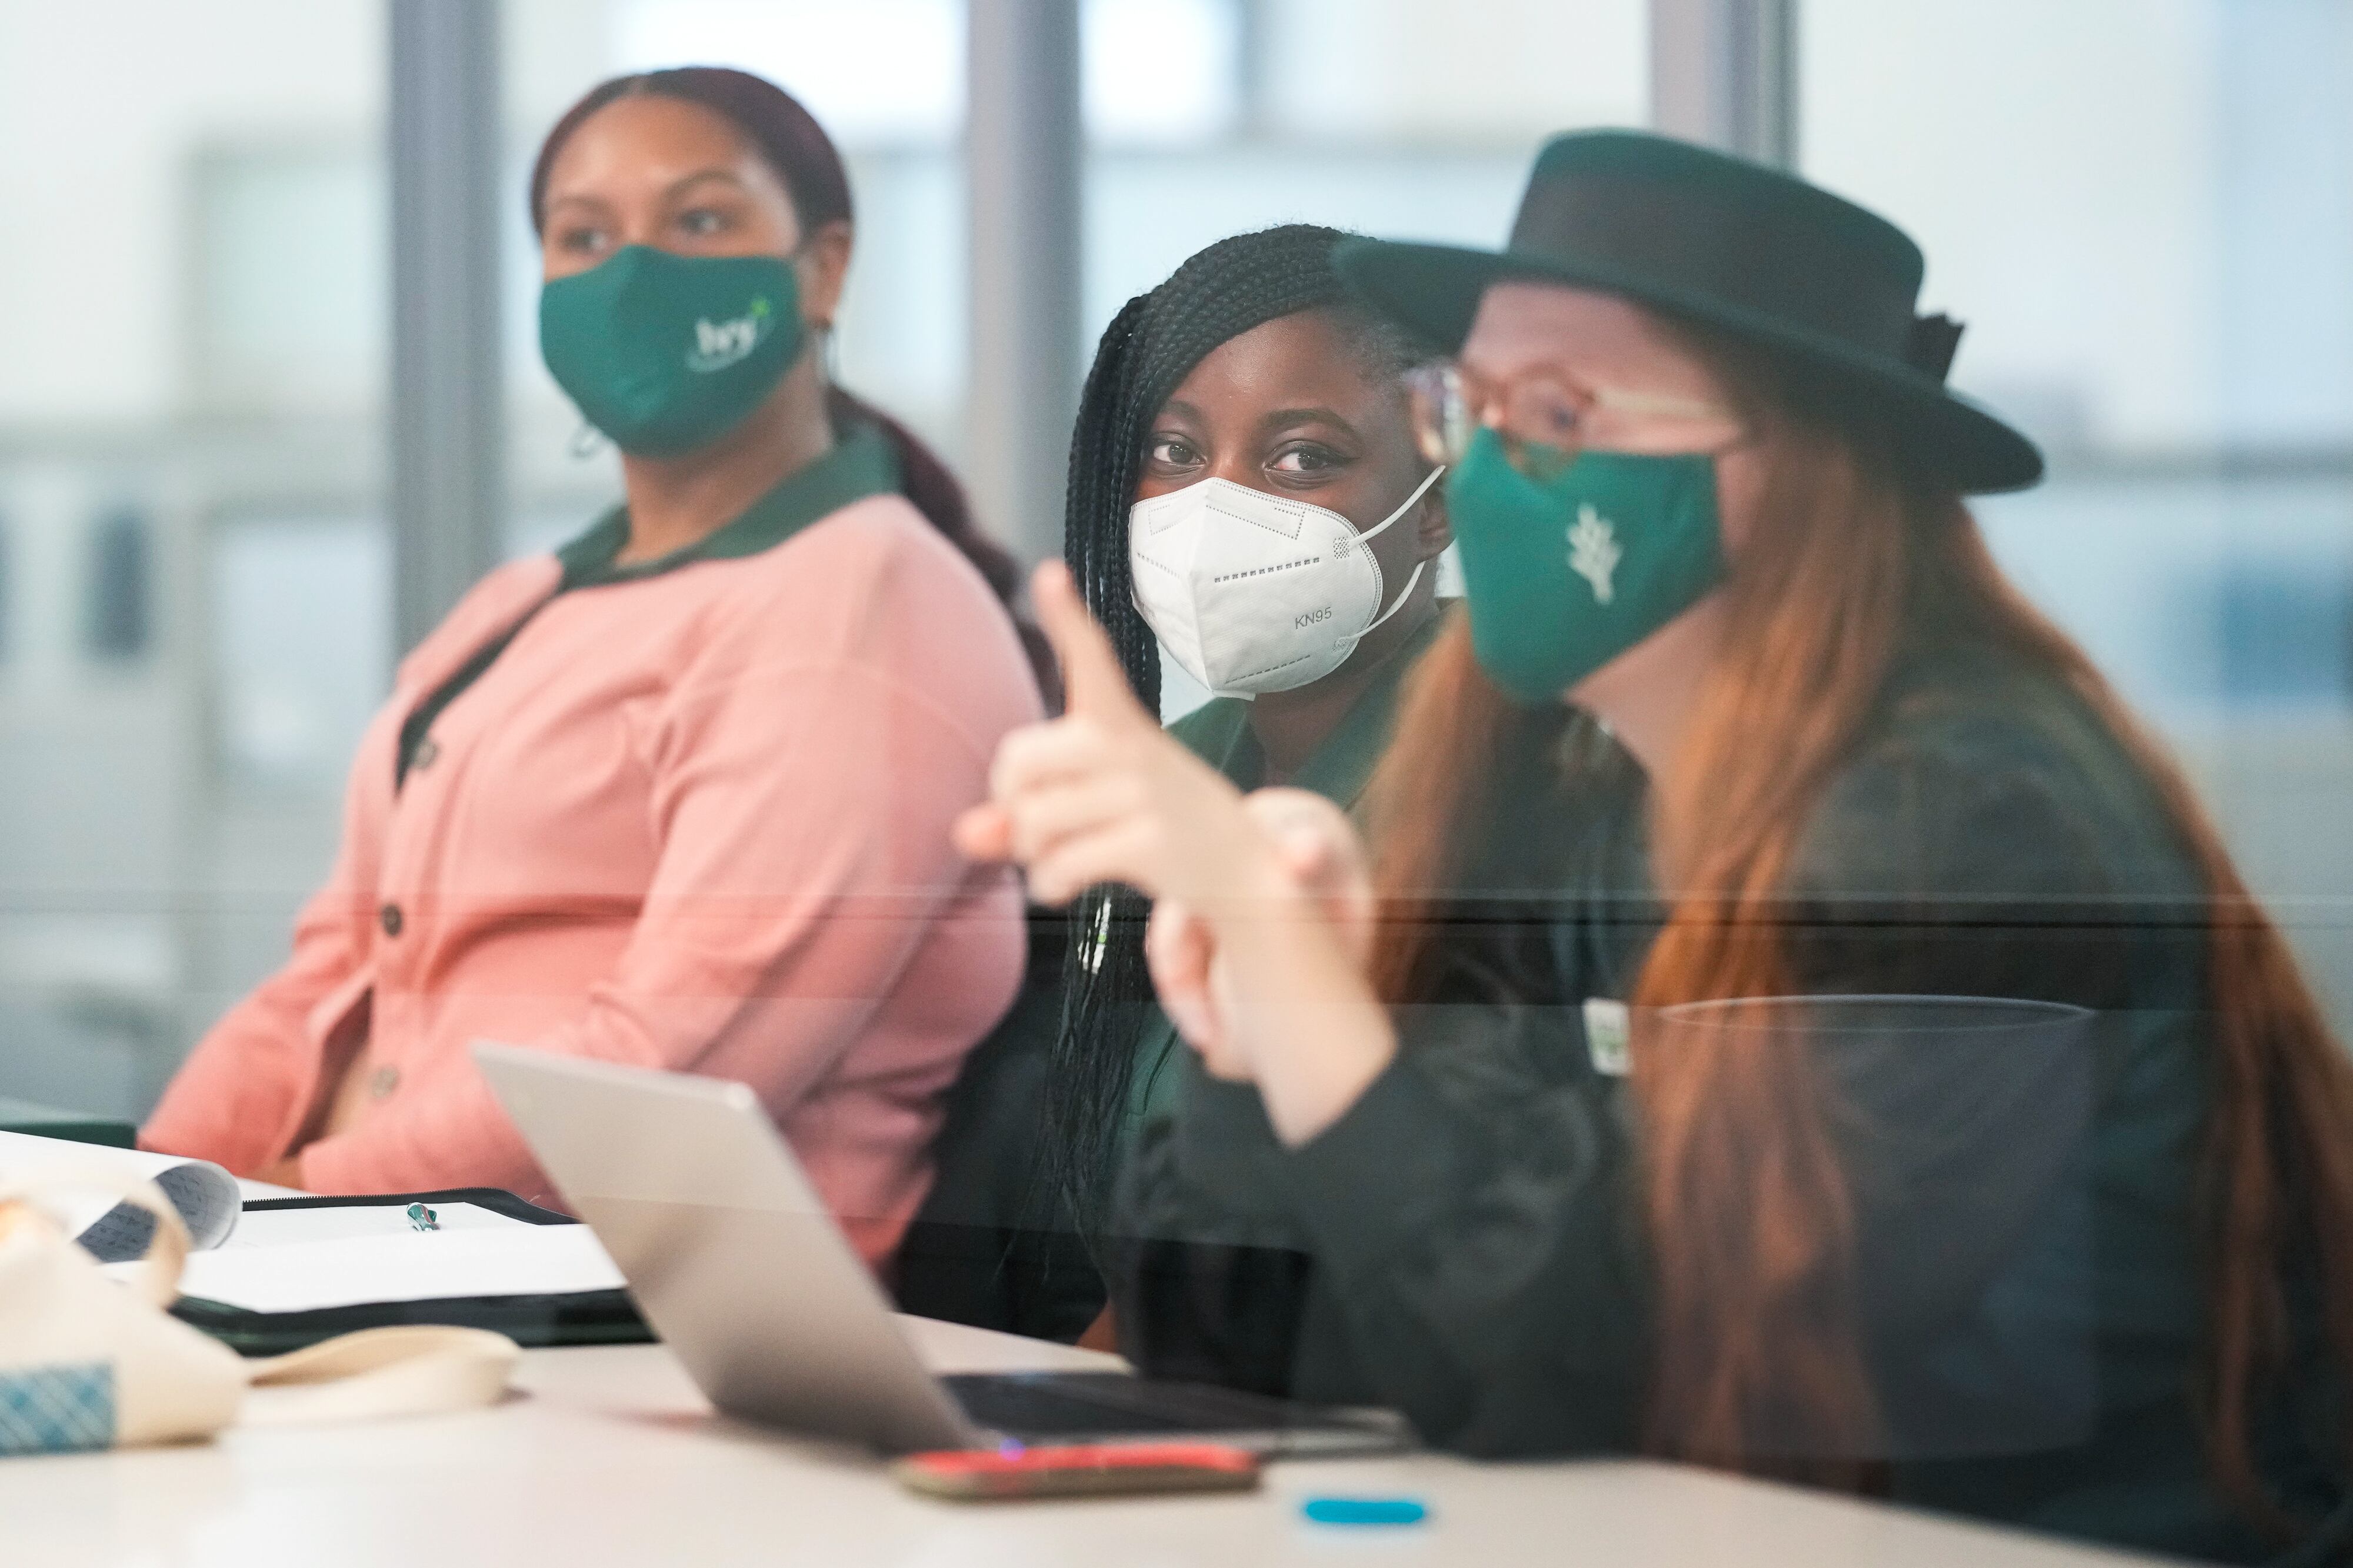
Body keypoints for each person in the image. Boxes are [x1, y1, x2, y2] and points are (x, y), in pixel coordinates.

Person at [957, 132, 2353, 1561]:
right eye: (1468, 408)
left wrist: (1285, 961)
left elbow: (1586, 1364)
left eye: (1555, 414)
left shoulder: (1956, 811)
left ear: (1782, 468)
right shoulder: (1591, 794)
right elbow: (1260, 1334)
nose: (1485, 476)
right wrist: (1250, 1036)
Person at [144, 68, 1049, 1269]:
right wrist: (148, 1204)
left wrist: (298, 1212)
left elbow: (669, 1068)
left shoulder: (863, 596)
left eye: (701, 220)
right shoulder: (521, 605)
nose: (633, 274)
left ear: (821, 269)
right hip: (392, 1266)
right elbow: (332, 976)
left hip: (624, 1320)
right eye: (584, 235)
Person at [894, 225, 1451, 1337]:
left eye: (1303, 456)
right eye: (1176, 452)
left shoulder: (1506, 771)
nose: (1217, 509)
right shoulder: (1170, 774)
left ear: (1437, 499)